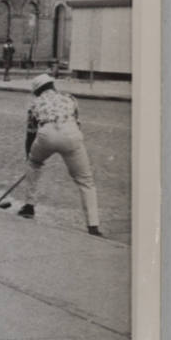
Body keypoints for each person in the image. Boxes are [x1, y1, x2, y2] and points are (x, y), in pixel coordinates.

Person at [18, 74, 102, 236]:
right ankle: (93, 225)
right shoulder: (69, 98)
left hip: (46, 134)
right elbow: (77, 123)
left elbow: (30, 134)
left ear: (37, 91)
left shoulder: (35, 103)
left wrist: (31, 157)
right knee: (86, 181)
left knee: (34, 165)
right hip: (71, 134)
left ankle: (29, 206)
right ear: (53, 86)